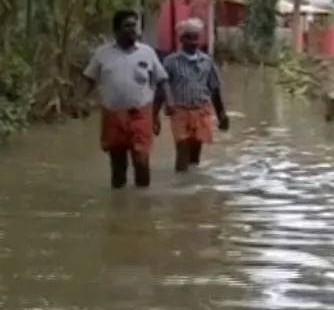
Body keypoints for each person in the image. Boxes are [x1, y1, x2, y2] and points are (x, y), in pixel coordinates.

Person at [84, 10, 171, 188]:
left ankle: (142, 204)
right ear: (116, 30)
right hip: (113, 115)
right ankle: (118, 205)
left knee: (141, 160)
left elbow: (162, 80)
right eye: (127, 26)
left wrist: (169, 103)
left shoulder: (147, 53)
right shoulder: (103, 54)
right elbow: (89, 79)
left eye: (135, 26)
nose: (133, 30)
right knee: (118, 165)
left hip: (140, 114)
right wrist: (80, 101)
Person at [158, 17, 228, 172]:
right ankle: (180, 186)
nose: (193, 41)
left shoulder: (206, 61)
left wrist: (222, 114)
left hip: (201, 111)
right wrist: (154, 115)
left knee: (195, 155)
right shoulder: (170, 62)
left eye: (196, 37)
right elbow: (162, 88)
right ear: (181, 39)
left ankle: (192, 187)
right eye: (189, 37)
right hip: (180, 112)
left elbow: (214, 89)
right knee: (182, 151)